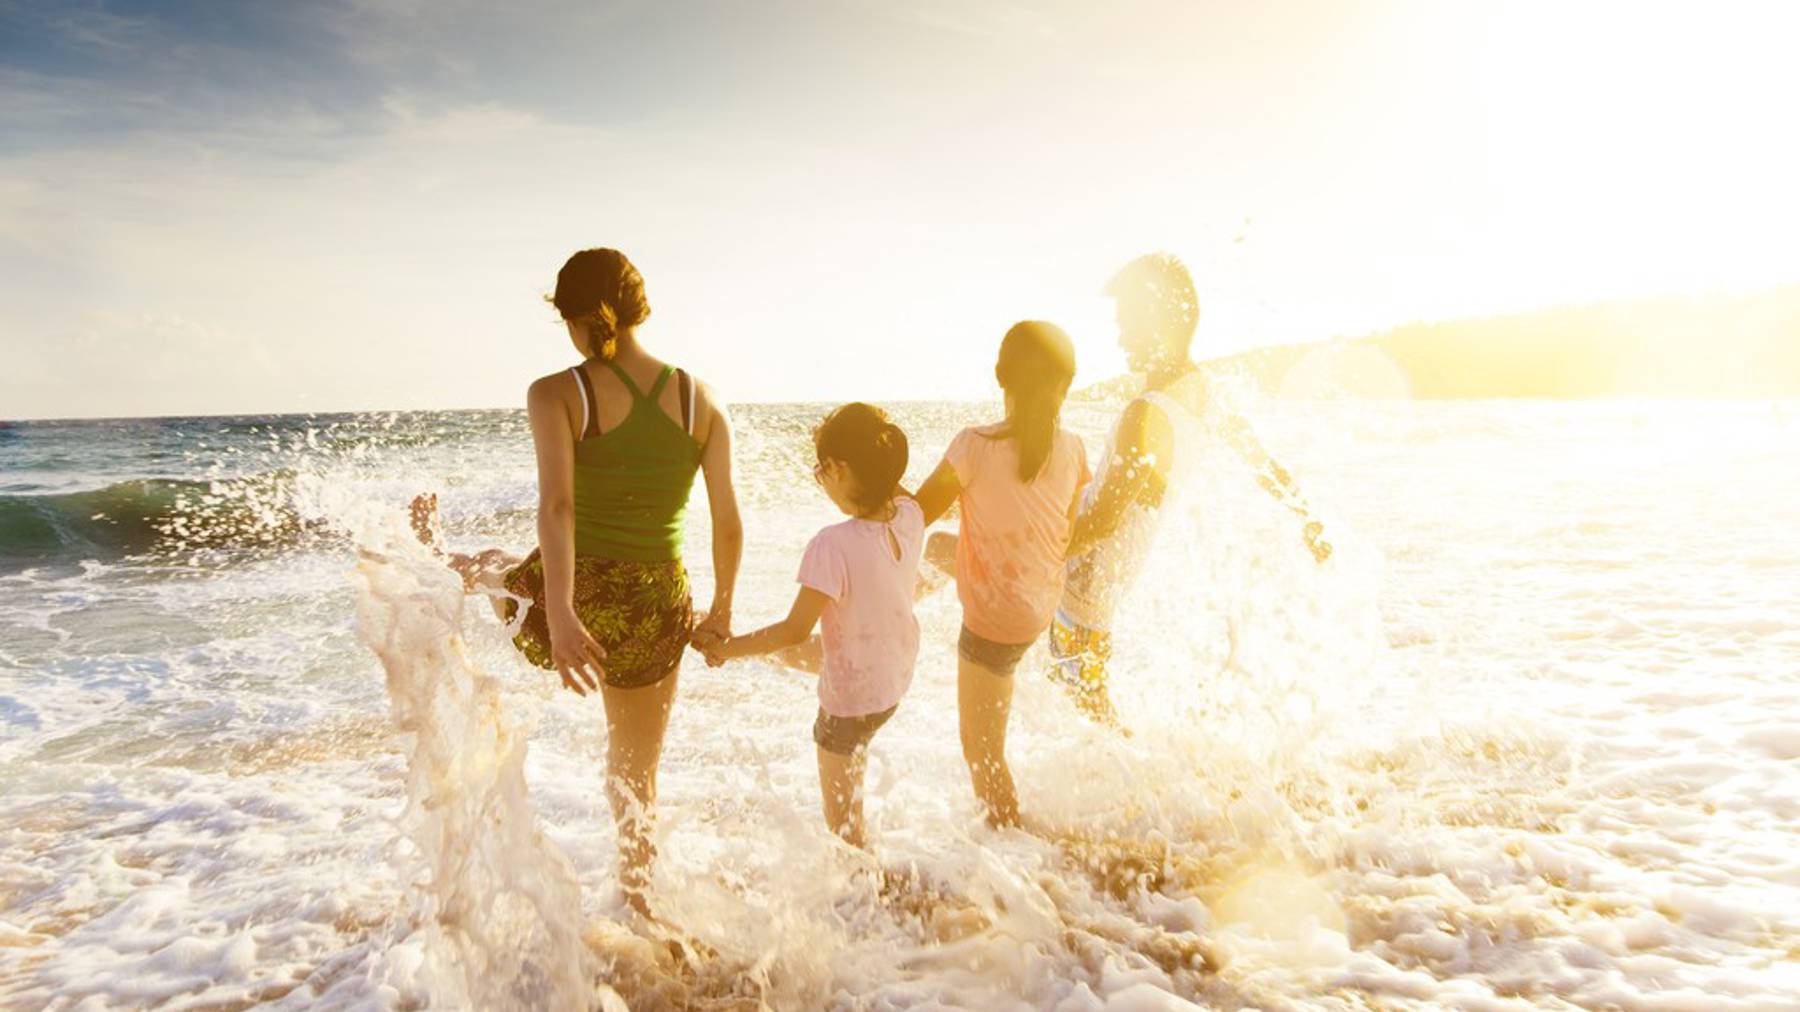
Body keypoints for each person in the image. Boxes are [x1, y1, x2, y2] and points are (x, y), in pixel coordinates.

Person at [410, 248, 743, 920]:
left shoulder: (558, 392)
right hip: (660, 601)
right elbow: (729, 521)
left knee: (498, 573)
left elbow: (559, 508)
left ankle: (439, 552)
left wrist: (560, 612)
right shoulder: (701, 398)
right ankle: (641, 904)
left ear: (582, 317)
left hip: (584, 590)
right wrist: (722, 609)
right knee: (635, 769)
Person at [1051, 253, 1330, 729]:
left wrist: (1028, 558)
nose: (1120, 337)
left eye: (1128, 322)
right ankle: (1148, 790)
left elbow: (1101, 523)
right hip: (1105, 589)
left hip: (1080, 590)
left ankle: (1149, 794)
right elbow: (1264, 465)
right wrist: (1306, 516)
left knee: (1091, 716)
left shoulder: (1148, 412)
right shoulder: (1205, 395)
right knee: (1093, 713)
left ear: (1159, 320)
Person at [694, 403, 922, 850]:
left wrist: (727, 649)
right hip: (891, 684)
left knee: (842, 829)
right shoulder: (909, 515)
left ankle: (865, 903)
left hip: (849, 702)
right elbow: (895, 489)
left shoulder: (831, 545)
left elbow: (793, 630)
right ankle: (870, 877)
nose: (821, 481)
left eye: (822, 471)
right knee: (805, 664)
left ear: (838, 468)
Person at [914, 322, 1089, 828]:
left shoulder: (974, 445)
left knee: (982, 753)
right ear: (1067, 385)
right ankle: (900, 608)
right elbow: (1057, 524)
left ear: (999, 377)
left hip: (994, 623)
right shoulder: (1074, 448)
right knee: (944, 548)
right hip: (1037, 605)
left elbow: (916, 512)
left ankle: (1014, 841)